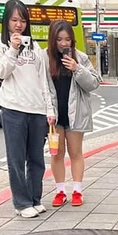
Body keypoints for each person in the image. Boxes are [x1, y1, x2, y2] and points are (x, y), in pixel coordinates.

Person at [0, 0, 54, 219]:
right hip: (13, 108)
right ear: (7, 21)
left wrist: (49, 110)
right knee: (16, 158)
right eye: (14, 20)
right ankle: (21, 203)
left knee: (36, 158)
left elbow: (43, 81)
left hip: (37, 110)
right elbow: (1, 72)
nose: (19, 25)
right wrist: (13, 49)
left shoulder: (35, 47)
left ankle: (35, 198)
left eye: (23, 20)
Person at [45, 20, 101, 208]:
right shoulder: (45, 59)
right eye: (59, 39)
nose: (64, 43)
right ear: (53, 40)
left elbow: (93, 83)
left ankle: (77, 190)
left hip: (75, 114)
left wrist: (77, 68)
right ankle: (60, 191)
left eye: (68, 39)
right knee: (57, 153)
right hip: (54, 116)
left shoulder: (81, 58)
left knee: (75, 152)